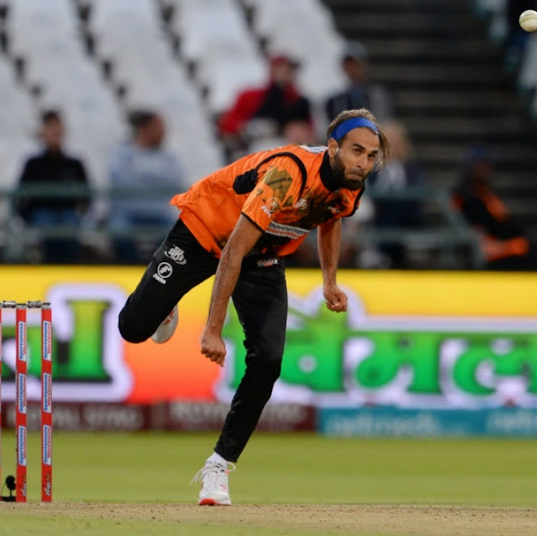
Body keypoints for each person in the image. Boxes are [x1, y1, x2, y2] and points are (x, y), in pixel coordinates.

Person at [118, 108, 389, 505]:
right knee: (134, 328)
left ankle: (219, 467)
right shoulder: (287, 172)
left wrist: (329, 279)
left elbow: (332, 216)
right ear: (333, 147)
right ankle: (165, 304)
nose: (363, 163)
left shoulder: (351, 184)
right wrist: (212, 328)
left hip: (262, 253)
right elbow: (232, 252)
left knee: (268, 359)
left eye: (370, 155)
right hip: (206, 231)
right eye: (356, 152)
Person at [107, 111, 186, 263]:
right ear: (145, 128)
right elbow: (121, 182)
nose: (163, 133)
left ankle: (160, 271)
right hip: (129, 213)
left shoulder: (170, 157)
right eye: (158, 128)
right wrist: (156, 183)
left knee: (178, 233)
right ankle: (129, 267)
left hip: (159, 213)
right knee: (119, 229)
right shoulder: (122, 153)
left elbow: (176, 183)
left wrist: (142, 180)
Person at [16, 110, 90, 263]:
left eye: (57, 127)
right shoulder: (33, 164)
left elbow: (87, 194)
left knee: (69, 225)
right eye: (50, 127)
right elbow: (20, 195)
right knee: (48, 225)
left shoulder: (74, 164)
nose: (55, 132)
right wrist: (27, 215)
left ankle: (67, 265)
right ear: (43, 132)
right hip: (41, 214)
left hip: (68, 213)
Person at [218, 54, 312, 161]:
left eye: (290, 69)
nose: (287, 73)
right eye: (282, 68)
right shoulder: (251, 96)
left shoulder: (300, 102)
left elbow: (309, 131)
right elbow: (228, 124)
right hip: (255, 150)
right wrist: (247, 127)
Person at [451, 146, 530, 269]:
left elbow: (504, 221)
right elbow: (473, 229)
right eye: (482, 165)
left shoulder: (485, 192)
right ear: (472, 167)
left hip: (502, 245)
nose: (486, 169)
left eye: (488, 165)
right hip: (485, 249)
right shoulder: (466, 196)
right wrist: (504, 247)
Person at [364, 120, 425, 268]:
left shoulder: (412, 172)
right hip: (378, 224)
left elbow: (418, 198)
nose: (392, 147)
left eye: (396, 143)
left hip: (407, 223)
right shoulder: (370, 172)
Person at [325, 41, 394, 123]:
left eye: (355, 64)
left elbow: (382, 120)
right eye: (349, 64)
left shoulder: (376, 94)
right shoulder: (336, 99)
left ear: (364, 65)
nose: (352, 68)